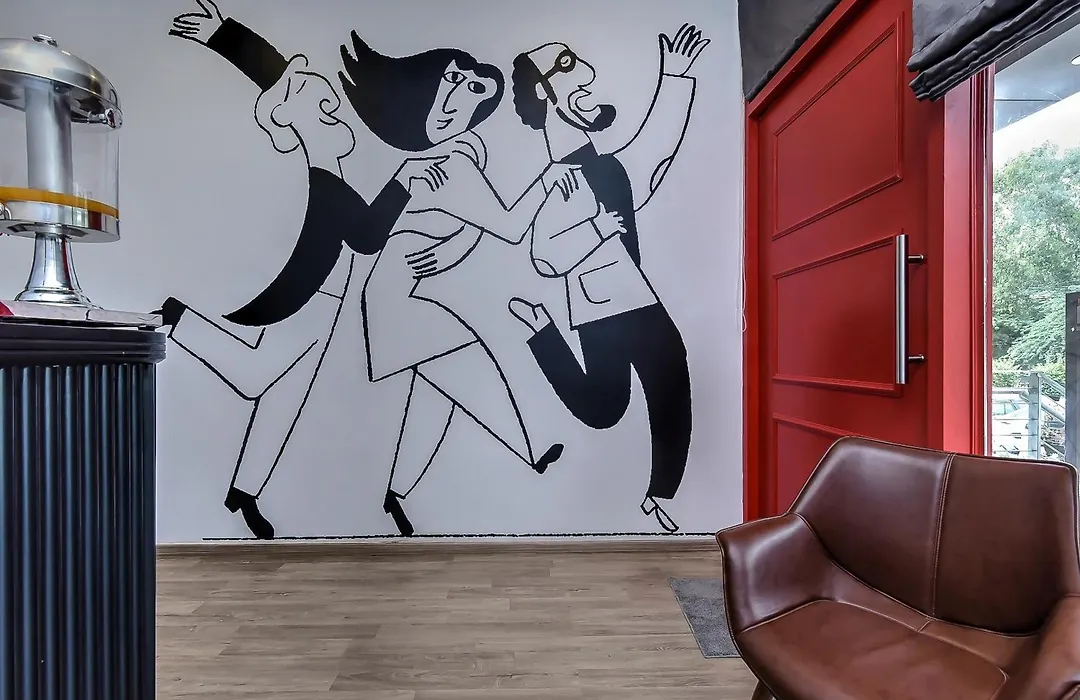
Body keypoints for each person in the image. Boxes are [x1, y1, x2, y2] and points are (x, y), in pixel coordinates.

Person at [161, 3, 449, 538]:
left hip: (324, 306)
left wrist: (225, 34)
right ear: (294, 121)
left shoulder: (330, 178)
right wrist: (404, 183)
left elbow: (280, 77)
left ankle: (243, 492)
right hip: (311, 302)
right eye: (325, 109)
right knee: (256, 379)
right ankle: (178, 321)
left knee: (282, 400)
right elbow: (367, 238)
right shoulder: (328, 186)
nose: (336, 111)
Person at [337, 32, 581, 536]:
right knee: (466, 362)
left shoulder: (453, 163)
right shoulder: (445, 165)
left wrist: (447, 249)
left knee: (437, 394)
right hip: (395, 298)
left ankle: (397, 495)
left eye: (473, 90)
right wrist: (546, 179)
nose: (456, 100)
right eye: (450, 82)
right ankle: (530, 450)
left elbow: (467, 225)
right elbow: (507, 227)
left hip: (396, 292)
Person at [504, 24, 710, 533]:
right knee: (605, 407)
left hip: (635, 296)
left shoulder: (610, 167)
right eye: (566, 66)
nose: (586, 74)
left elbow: (656, 150)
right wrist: (596, 228)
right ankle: (541, 332)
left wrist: (675, 77)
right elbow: (543, 256)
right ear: (544, 94)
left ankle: (659, 495)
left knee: (667, 371)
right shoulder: (559, 180)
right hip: (599, 305)